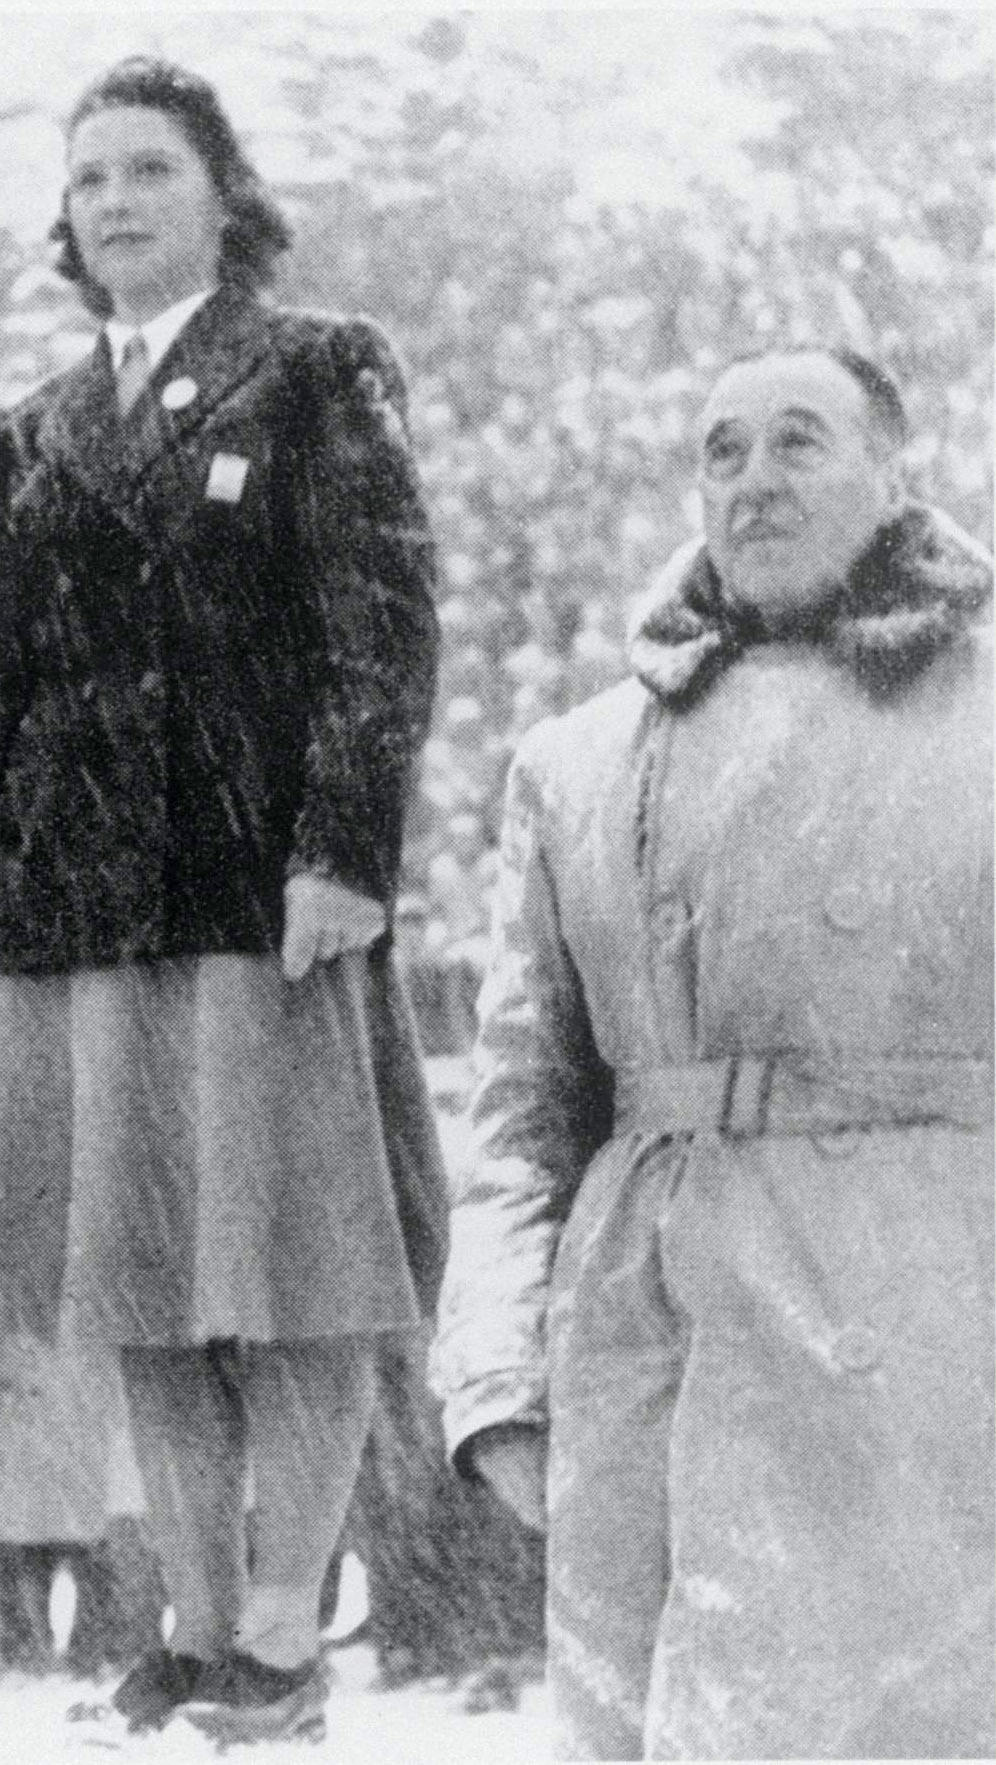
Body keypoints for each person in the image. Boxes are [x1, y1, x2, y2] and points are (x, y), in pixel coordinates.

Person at [0, 56, 445, 1747]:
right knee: (132, 1282)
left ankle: (286, 1628)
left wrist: (343, 851)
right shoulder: (34, 430)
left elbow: (383, 623)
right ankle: (200, 1622)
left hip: (256, 890)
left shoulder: (311, 372)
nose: (115, 200)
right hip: (79, 909)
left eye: (149, 168)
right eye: (88, 180)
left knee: (299, 1274)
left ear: (223, 192)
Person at [432, 346, 994, 1759]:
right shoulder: (579, 762)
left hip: (927, 1314)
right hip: (652, 1320)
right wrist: (498, 1369)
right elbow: (522, 1107)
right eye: (722, 451)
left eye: (799, 442)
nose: (754, 481)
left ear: (892, 473)